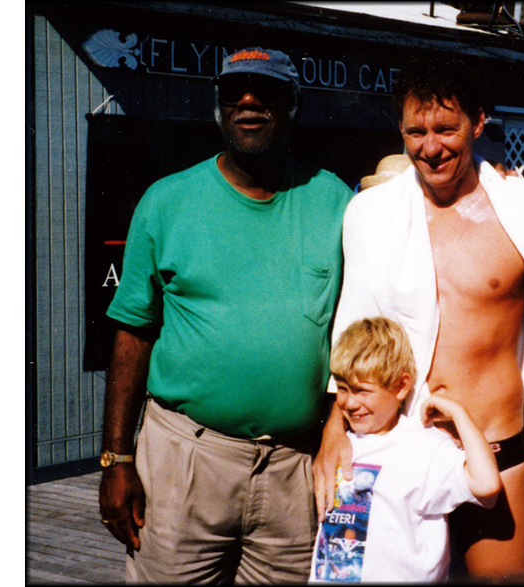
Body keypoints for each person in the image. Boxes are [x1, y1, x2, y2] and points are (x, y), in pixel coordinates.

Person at [313, 55, 524, 580]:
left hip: (497, 446)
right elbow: (354, 335)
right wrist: (333, 431)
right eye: (416, 131)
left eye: (446, 128)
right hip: (394, 449)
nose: (430, 146)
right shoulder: (371, 216)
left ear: (478, 122)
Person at [98, 47, 354, 583]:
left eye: (266, 92)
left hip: (295, 470)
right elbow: (133, 333)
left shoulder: (333, 199)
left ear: (294, 106)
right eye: (233, 93)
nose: (248, 102)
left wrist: (488, 182)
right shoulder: (166, 201)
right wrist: (117, 461)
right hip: (185, 462)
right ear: (218, 109)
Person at [309, 317, 501, 582]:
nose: (350, 402)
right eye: (342, 389)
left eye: (362, 391)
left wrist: (459, 413)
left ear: (401, 386)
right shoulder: (341, 445)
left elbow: (487, 484)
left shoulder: (424, 447)